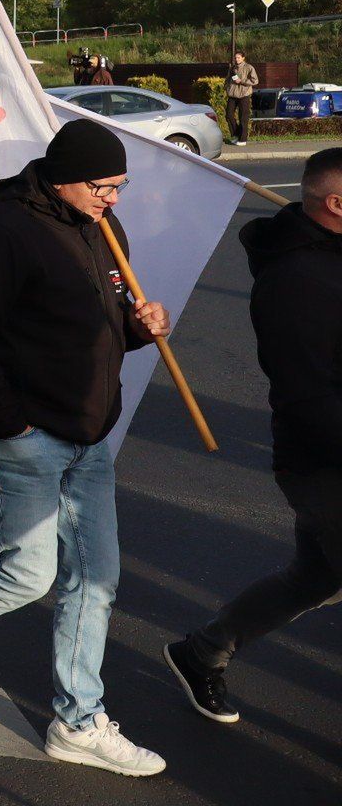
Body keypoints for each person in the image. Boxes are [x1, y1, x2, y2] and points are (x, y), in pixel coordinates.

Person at [0, 118, 170, 776]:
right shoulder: (3, 235)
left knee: (94, 581)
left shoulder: (105, 231)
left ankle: (78, 721)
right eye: (105, 186)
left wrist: (142, 326)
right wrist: (9, 423)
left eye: (121, 186)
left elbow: (110, 324)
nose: (114, 198)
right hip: (25, 436)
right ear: (65, 179)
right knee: (28, 574)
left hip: (91, 437)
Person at [166, 148, 342, 722]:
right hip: (324, 463)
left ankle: (202, 652)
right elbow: (309, 395)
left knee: (314, 577)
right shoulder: (298, 280)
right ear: (335, 205)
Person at [227, 50, 258, 146]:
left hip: (244, 95)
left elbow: (255, 81)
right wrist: (227, 88)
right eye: (235, 58)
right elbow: (228, 79)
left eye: (238, 57)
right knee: (229, 115)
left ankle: (243, 139)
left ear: (243, 58)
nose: (236, 59)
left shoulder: (249, 67)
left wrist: (242, 81)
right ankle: (236, 135)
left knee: (243, 117)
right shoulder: (232, 68)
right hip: (232, 95)